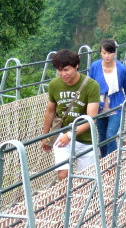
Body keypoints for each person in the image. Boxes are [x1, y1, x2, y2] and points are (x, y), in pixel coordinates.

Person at [41, 49, 100, 181]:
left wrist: (70, 135)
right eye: (59, 70)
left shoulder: (91, 86)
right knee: (63, 175)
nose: (62, 74)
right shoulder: (54, 85)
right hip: (62, 136)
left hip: (86, 139)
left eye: (66, 70)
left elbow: (92, 118)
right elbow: (50, 110)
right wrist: (46, 136)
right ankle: (64, 202)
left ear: (76, 66)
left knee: (86, 180)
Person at [88, 39, 126, 157]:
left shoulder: (121, 68)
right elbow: (89, 86)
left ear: (114, 53)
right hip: (99, 107)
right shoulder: (95, 66)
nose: (107, 56)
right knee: (102, 138)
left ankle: (113, 162)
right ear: (100, 53)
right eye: (104, 53)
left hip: (116, 106)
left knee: (111, 135)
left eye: (109, 53)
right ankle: (104, 162)